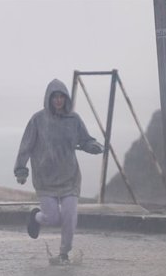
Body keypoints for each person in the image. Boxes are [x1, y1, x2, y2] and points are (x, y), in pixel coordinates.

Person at [14, 79, 103, 264]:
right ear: (49, 98)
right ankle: (36, 217)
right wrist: (21, 170)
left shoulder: (74, 119)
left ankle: (64, 254)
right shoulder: (37, 120)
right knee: (53, 218)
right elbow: (26, 146)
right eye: (55, 97)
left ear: (66, 99)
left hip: (70, 178)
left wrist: (93, 146)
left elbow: (85, 140)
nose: (59, 100)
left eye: (62, 97)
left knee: (70, 217)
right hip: (45, 179)